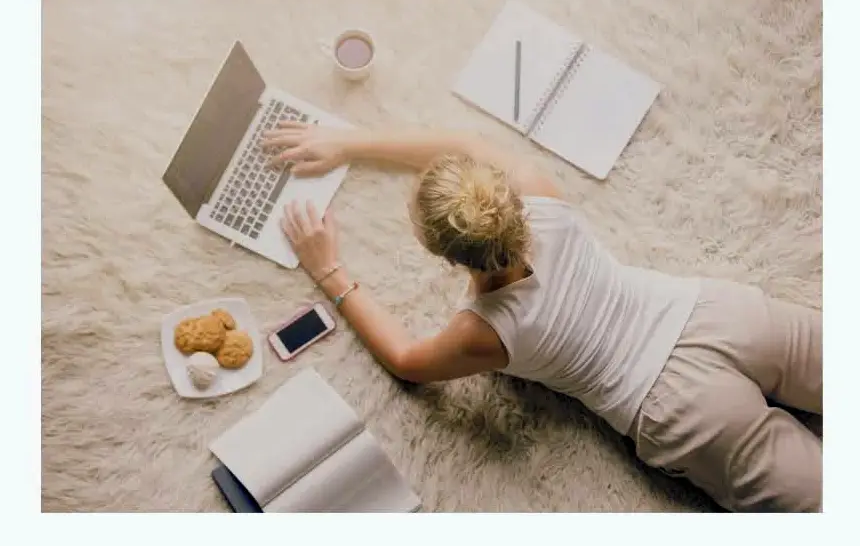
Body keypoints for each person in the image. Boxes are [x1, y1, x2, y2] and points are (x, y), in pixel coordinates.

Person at [261, 122, 822, 513]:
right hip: (715, 315)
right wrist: (349, 141)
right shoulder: (538, 191)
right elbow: (461, 142)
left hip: (677, 408)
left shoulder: (480, 331)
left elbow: (406, 361)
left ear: (451, 259)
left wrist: (328, 268)